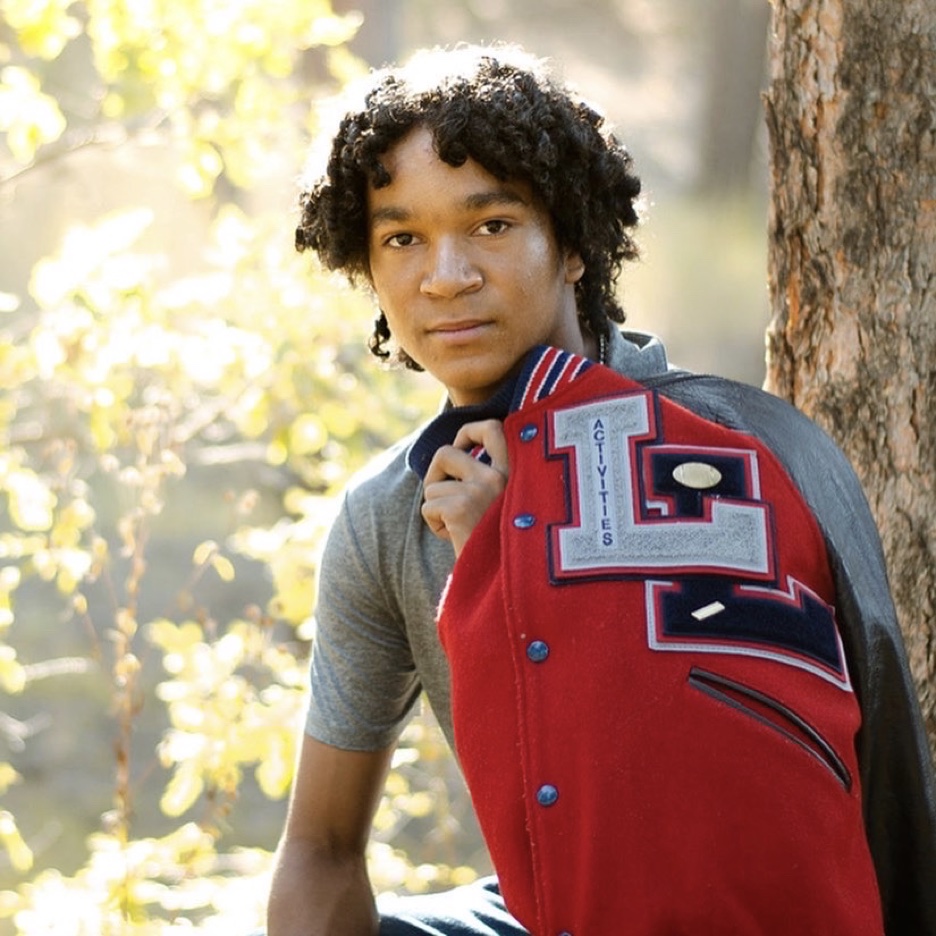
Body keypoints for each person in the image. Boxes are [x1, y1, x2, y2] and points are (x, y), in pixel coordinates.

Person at [266, 43, 936, 936]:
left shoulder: (740, 455)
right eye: (402, 239)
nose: (447, 275)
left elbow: (859, 783)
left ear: (573, 242)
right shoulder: (390, 516)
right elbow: (320, 847)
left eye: (493, 225)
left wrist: (522, 541)